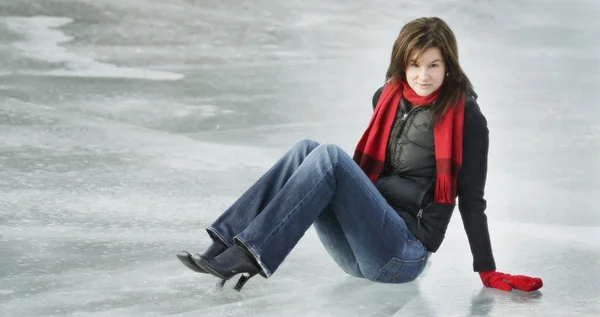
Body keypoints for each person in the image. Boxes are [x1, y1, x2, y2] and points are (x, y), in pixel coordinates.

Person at [177, 16, 544, 293]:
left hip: (402, 256)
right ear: (402, 63)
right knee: (307, 150)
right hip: (358, 252)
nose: (423, 75)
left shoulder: (467, 117)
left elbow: (472, 200)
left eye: (433, 65)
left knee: (331, 158)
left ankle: (251, 253)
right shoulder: (385, 99)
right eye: (414, 64)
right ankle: (225, 243)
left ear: (448, 65)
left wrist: (487, 269)